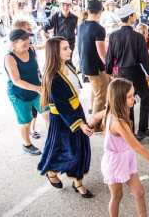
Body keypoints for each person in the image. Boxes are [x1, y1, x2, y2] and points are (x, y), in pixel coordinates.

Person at [89, 78, 149, 217]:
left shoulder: (112, 112)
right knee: (117, 196)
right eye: (129, 97)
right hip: (114, 163)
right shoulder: (118, 122)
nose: (133, 99)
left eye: (133, 95)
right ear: (118, 99)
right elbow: (139, 148)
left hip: (126, 158)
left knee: (139, 192)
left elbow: (95, 116)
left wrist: (90, 124)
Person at [38, 37, 94, 198]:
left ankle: (78, 183)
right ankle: (52, 171)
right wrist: (80, 124)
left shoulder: (68, 65)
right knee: (68, 152)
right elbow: (62, 106)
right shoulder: (52, 77)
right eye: (65, 48)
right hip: (63, 119)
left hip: (76, 112)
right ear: (55, 52)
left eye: (68, 47)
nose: (69, 50)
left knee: (81, 149)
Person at [105, 6, 149, 141]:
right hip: (136, 72)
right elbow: (145, 61)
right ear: (130, 17)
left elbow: (109, 60)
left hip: (121, 73)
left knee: (126, 103)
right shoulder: (138, 37)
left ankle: (130, 131)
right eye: (133, 14)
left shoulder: (113, 36)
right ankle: (142, 129)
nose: (135, 16)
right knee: (145, 98)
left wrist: (110, 74)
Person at [4, 29, 48, 155]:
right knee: (25, 121)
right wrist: (37, 88)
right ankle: (27, 144)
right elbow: (16, 80)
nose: (27, 42)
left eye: (28, 39)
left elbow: (37, 69)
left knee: (48, 113)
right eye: (24, 41)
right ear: (14, 43)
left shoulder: (31, 49)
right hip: (19, 94)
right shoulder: (9, 58)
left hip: (37, 89)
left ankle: (54, 140)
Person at [77, 0, 109, 115]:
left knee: (97, 90)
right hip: (94, 66)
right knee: (101, 94)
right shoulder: (98, 29)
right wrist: (109, 66)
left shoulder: (81, 25)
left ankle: (92, 108)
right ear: (100, 11)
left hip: (85, 64)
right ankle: (95, 124)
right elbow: (101, 53)